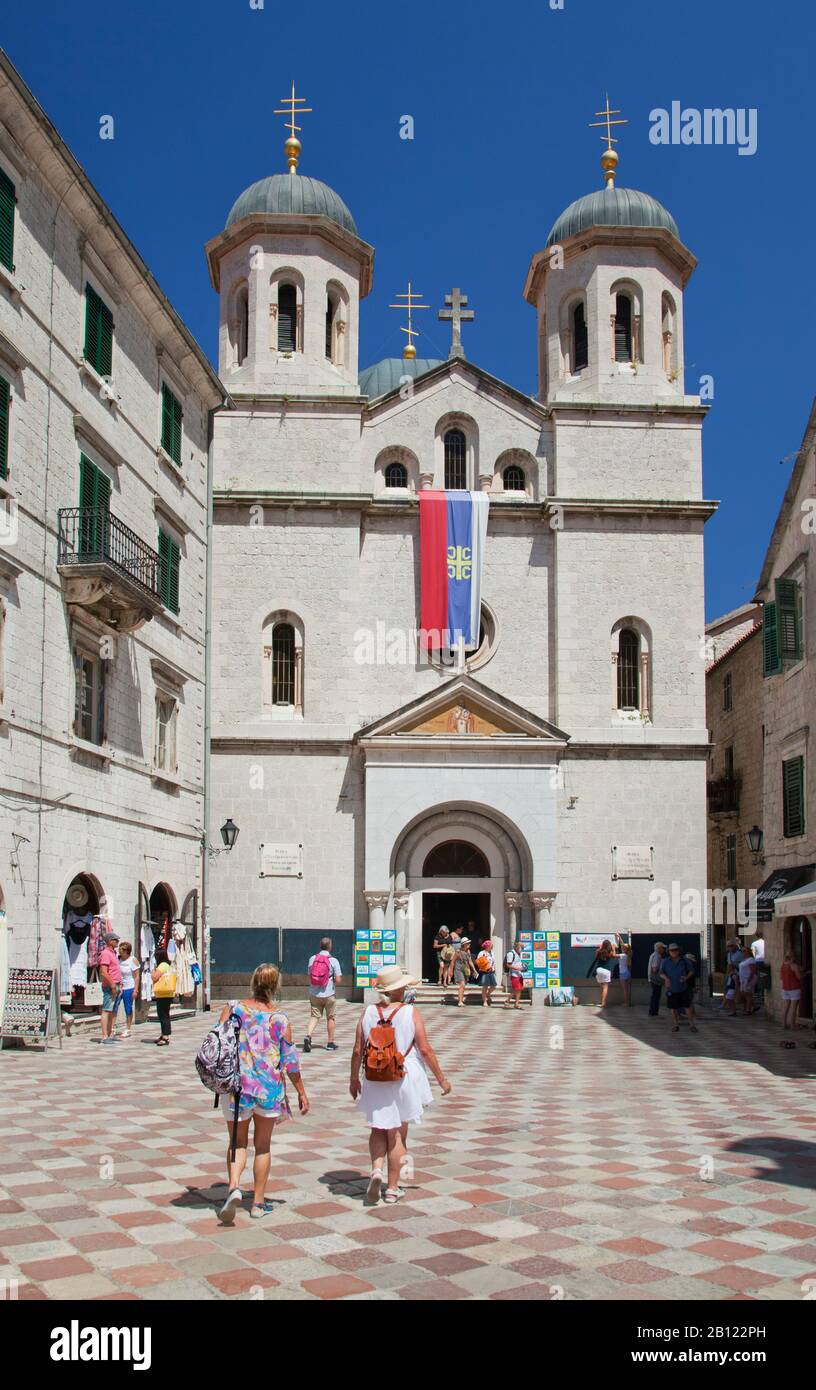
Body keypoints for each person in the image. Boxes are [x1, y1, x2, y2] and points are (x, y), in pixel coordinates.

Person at [349, 966, 451, 1205]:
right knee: (396, 1134)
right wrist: (442, 1079)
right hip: (402, 1075)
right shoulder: (410, 1012)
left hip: (374, 1076)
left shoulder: (368, 1013)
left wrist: (354, 1079)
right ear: (400, 988)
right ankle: (392, 1188)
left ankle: (376, 1170)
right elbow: (424, 1049)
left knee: (377, 1127)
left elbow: (357, 1050)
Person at [217, 964, 309, 1224]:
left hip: (237, 1086)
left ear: (253, 982)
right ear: (276, 986)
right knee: (263, 1146)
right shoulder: (280, 1019)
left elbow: (218, 1042)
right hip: (268, 1088)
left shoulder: (233, 1008)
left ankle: (234, 1185)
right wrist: (301, 1091)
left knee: (237, 1142)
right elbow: (290, 1062)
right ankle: (258, 1202)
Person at [303, 936, 342, 1053]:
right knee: (331, 1017)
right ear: (330, 946)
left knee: (314, 1016)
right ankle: (330, 1043)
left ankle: (308, 1036)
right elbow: (339, 980)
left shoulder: (312, 959)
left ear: (320, 946)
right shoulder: (333, 960)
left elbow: (309, 975)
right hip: (329, 994)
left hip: (314, 993)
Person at [660, 942, 698, 1033]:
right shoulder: (665, 961)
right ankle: (675, 1025)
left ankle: (692, 1025)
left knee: (687, 1006)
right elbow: (661, 973)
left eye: (675, 950)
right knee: (673, 1008)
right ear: (668, 951)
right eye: (671, 950)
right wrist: (666, 979)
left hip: (683, 987)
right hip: (671, 988)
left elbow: (691, 971)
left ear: (679, 951)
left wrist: (686, 978)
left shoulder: (684, 960)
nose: (674, 952)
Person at [99, 930, 123, 1044]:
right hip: (110, 986)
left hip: (117, 985)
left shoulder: (113, 953)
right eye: (115, 940)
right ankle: (104, 1036)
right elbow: (104, 972)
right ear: (109, 941)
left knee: (113, 1010)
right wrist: (112, 984)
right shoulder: (105, 953)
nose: (117, 941)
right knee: (106, 1009)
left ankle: (109, 1033)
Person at [115, 941, 140, 1038]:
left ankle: (128, 1028)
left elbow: (137, 976)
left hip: (129, 987)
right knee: (114, 1007)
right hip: (119, 986)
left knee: (128, 1008)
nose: (119, 951)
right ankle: (112, 1027)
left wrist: (135, 990)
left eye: (121, 950)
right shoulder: (118, 959)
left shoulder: (133, 960)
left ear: (126, 951)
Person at [151, 948, 175, 1046]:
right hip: (166, 993)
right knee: (163, 1014)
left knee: (163, 1015)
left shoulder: (162, 965)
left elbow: (154, 977)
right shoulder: (167, 965)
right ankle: (163, 1034)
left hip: (164, 994)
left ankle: (165, 1036)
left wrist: (153, 970)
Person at [587, 939, 618, 1010]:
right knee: (605, 987)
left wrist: (601, 947)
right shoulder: (609, 952)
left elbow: (597, 954)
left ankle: (602, 1001)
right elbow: (614, 955)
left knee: (601, 986)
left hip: (599, 970)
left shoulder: (598, 951)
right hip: (606, 970)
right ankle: (603, 1003)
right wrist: (613, 948)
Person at [780, 951, 801, 1032]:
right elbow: (798, 977)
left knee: (785, 1007)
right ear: (793, 957)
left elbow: (781, 977)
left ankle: (784, 1024)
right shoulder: (794, 965)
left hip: (785, 988)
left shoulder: (783, 964)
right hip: (794, 988)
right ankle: (792, 1025)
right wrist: (805, 973)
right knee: (793, 1008)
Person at [503, 940, 525, 1009]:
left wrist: (523, 966)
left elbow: (517, 963)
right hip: (514, 974)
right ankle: (507, 1001)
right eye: (521, 947)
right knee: (516, 989)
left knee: (520, 989)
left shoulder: (518, 953)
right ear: (517, 947)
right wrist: (518, 968)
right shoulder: (511, 953)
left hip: (519, 974)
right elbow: (508, 965)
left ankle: (516, 1003)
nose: (522, 949)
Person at [453, 937, 475, 1007]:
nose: (469, 944)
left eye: (469, 943)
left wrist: (474, 969)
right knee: (462, 984)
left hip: (464, 969)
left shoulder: (468, 951)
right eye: (467, 943)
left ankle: (461, 1000)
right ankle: (459, 1001)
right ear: (464, 944)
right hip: (458, 969)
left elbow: (470, 961)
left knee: (463, 985)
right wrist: (450, 972)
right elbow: (452, 961)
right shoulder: (458, 951)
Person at [647, 942, 667, 1016]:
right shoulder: (657, 956)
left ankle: (653, 1011)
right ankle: (653, 1012)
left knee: (655, 995)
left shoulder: (653, 955)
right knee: (656, 996)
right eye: (663, 948)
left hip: (653, 978)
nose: (664, 950)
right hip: (656, 979)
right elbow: (654, 968)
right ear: (659, 948)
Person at [476, 939, 497, 1007]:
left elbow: (493, 962)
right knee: (485, 987)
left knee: (494, 986)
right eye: (491, 945)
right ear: (487, 946)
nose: (492, 946)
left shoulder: (492, 953)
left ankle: (487, 995)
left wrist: (495, 970)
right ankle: (484, 1001)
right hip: (485, 972)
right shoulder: (482, 953)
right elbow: (477, 962)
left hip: (491, 971)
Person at [738, 947, 758, 1016]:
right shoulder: (744, 960)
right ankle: (753, 1006)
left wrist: (749, 979)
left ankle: (748, 1010)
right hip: (743, 979)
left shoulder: (751, 960)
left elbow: (753, 971)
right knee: (744, 994)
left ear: (748, 952)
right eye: (742, 951)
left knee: (748, 994)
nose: (743, 952)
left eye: (744, 951)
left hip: (748, 978)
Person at [618, 939, 633, 1007]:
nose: (622, 947)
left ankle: (626, 1003)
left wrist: (612, 947)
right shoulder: (628, 954)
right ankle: (628, 1002)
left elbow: (613, 955)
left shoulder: (622, 955)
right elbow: (623, 945)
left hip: (623, 973)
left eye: (623, 947)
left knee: (624, 990)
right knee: (628, 988)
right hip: (627, 972)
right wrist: (619, 937)